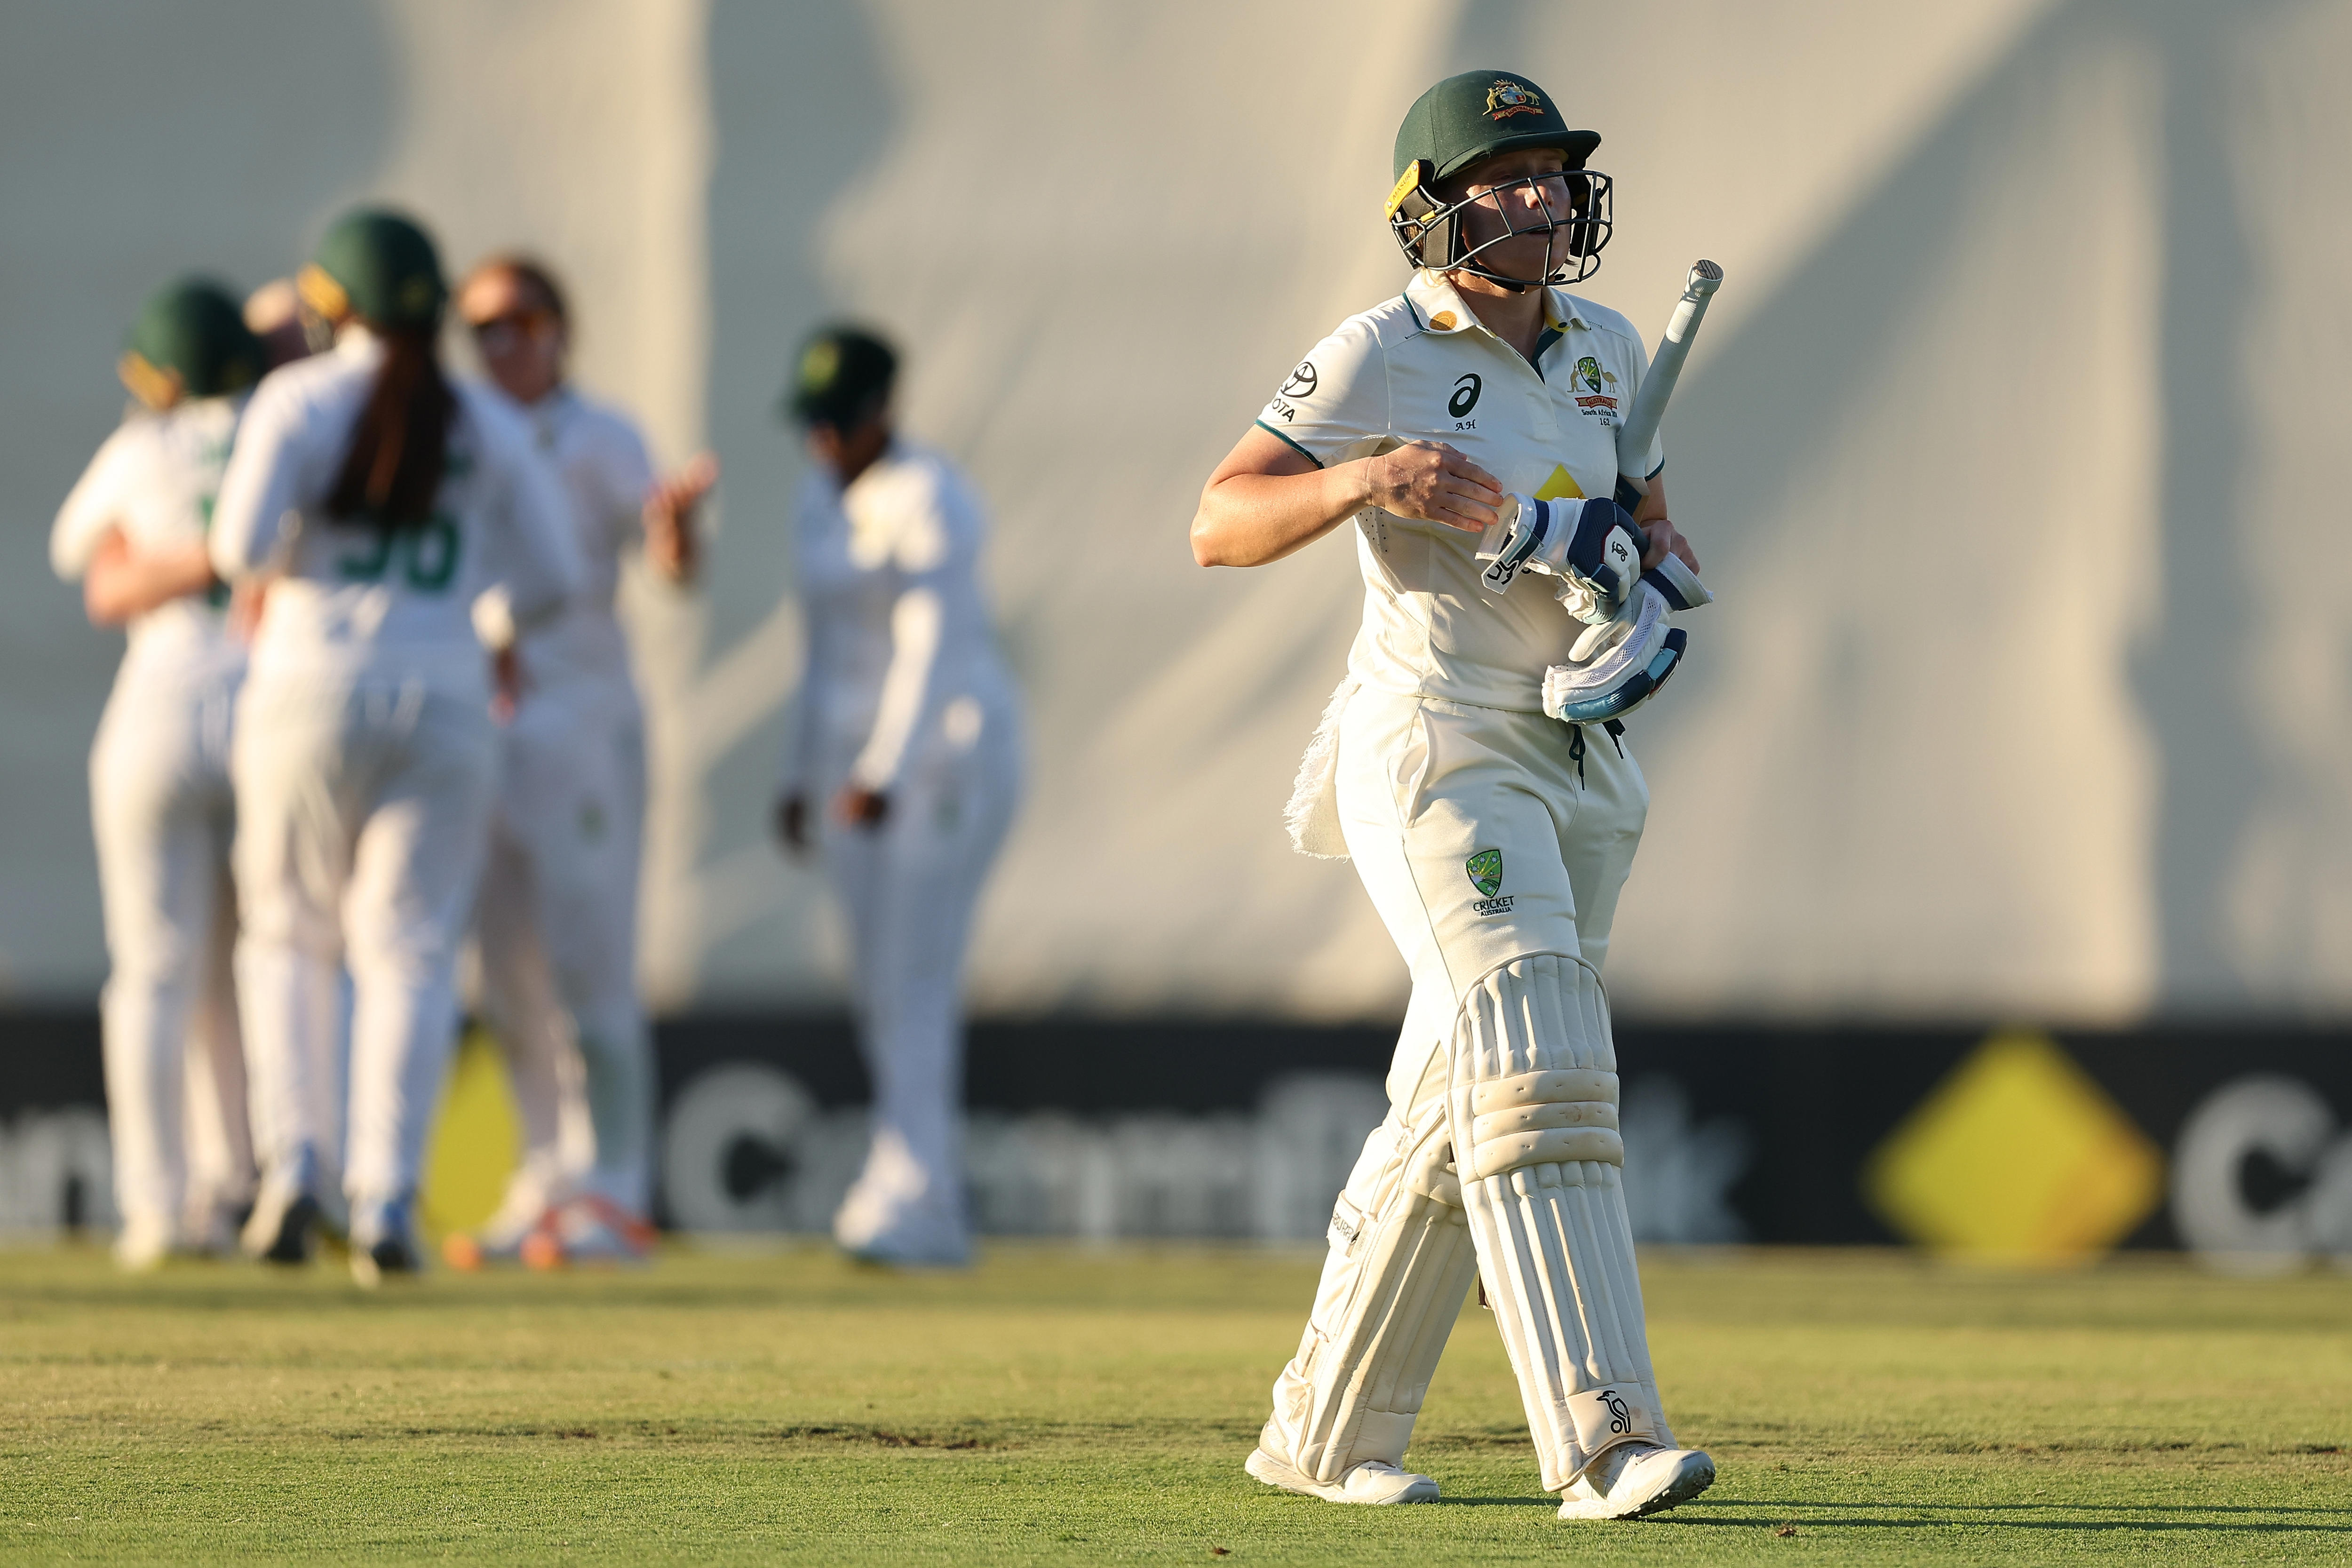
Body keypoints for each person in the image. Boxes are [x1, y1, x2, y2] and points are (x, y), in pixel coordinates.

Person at [1189, 71, 1717, 1520]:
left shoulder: (1609, 346)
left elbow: (1660, 529)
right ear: (1435, 206)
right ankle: (1604, 1436)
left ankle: (1325, 1427)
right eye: (1509, 174)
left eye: (1553, 172)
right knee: (1540, 1051)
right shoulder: (1375, 351)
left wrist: (1651, 590)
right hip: (1436, 740)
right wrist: (1366, 484)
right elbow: (1219, 522)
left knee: (1459, 1093)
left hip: (1576, 752)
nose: (1542, 197)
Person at [210, 208, 583, 1283]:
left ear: (337, 305)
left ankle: (298, 1170)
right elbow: (556, 578)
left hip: (308, 688)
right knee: (410, 950)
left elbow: (238, 549)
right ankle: (386, 1197)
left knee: (286, 933)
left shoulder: (299, 398)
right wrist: (488, 620)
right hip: (448, 694)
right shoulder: (484, 418)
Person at [440, 255, 715, 1268]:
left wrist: (678, 534)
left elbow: (671, 566)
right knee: (506, 971)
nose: (499, 344)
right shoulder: (459, 429)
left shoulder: (601, 435)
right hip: (482, 724)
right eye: (480, 328)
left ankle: (619, 1189)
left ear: (559, 328)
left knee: (593, 964)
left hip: (583, 723)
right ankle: (548, 1177)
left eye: (516, 322)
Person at [772, 326, 1023, 1266]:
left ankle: (910, 1195)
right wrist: (805, 774)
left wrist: (882, 772)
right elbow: (821, 652)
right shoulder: (815, 500)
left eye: (842, 421)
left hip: (949, 759)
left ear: (884, 410)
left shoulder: (931, 499)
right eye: (815, 423)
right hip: (854, 771)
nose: (825, 441)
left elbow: (933, 651)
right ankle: (925, 1195)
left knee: (914, 976)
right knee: (881, 981)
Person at [50, 279, 268, 1270]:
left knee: (154, 970)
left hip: (164, 703)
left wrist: (166, 554)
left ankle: (154, 1205)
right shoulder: (282, 428)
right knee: (270, 961)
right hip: (270, 705)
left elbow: (80, 556)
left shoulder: (144, 447)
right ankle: (253, 1189)